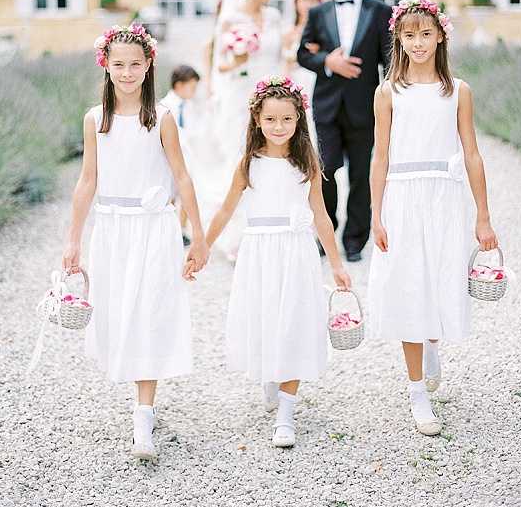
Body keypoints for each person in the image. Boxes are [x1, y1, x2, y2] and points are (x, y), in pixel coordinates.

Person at [62, 24, 209, 462]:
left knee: (149, 312)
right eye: (118, 64)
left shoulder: (161, 118)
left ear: (149, 66)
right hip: (112, 229)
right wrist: (73, 240)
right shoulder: (95, 119)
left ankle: (143, 416)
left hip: (155, 228)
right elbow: (87, 180)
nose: (127, 73)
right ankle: (140, 400)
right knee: (121, 312)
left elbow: (181, 176)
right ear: (106, 66)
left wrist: (198, 236)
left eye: (135, 64)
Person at [367, 0, 498, 436]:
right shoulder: (387, 92)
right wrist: (376, 214)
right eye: (409, 35)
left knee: (439, 279)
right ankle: (417, 392)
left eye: (426, 34)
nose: (418, 43)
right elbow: (379, 155)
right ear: (398, 40)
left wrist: (483, 216)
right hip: (403, 197)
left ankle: (433, 343)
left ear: (440, 35)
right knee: (408, 287)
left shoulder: (458, 91)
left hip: (444, 196)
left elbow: (472, 153)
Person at [206, 75, 352, 448]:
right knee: (266, 318)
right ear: (257, 120)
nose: (278, 127)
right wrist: (203, 246)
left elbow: (321, 215)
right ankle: (269, 373)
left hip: (296, 251)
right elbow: (226, 211)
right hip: (258, 252)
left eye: (287, 119)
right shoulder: (248, 165)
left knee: (294, 322)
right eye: (270, 119)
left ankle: (287, 412)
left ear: (299, 120)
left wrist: (336, 264)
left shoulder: (307, 164)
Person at [297, 0, 392, 261]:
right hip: (326, 105)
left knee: (361, 175)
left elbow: (389, 60)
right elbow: (303, 54)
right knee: (325, 170)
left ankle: (355, 241)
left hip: (365, 105)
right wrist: (328, 61)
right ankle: (327, 234)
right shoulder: (318, 12)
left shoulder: (380, 10)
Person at [213, 0, 282, 175]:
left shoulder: (274, 16)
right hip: (242, 91)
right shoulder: (230, 19)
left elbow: (280, 56)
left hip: (273, 91)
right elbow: (220, 66)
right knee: (242, 145)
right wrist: (237, 62)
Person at [161, 64, 202, 246]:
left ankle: (181, 229)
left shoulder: (189, 106)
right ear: (179, 86)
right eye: (191, 87)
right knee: (169, 193)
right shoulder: (164, 107)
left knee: (186, 193)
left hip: (187, 156)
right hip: (170, 159)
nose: (194, 92)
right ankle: (167, 229)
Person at [282, 0, 323, 141]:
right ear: (296, 3)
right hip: (296, 81)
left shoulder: (323, 31)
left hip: (315, 78)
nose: (308, 5)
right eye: (304, 0)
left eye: (312, 0)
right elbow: (284, 62)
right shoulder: (288, 33)